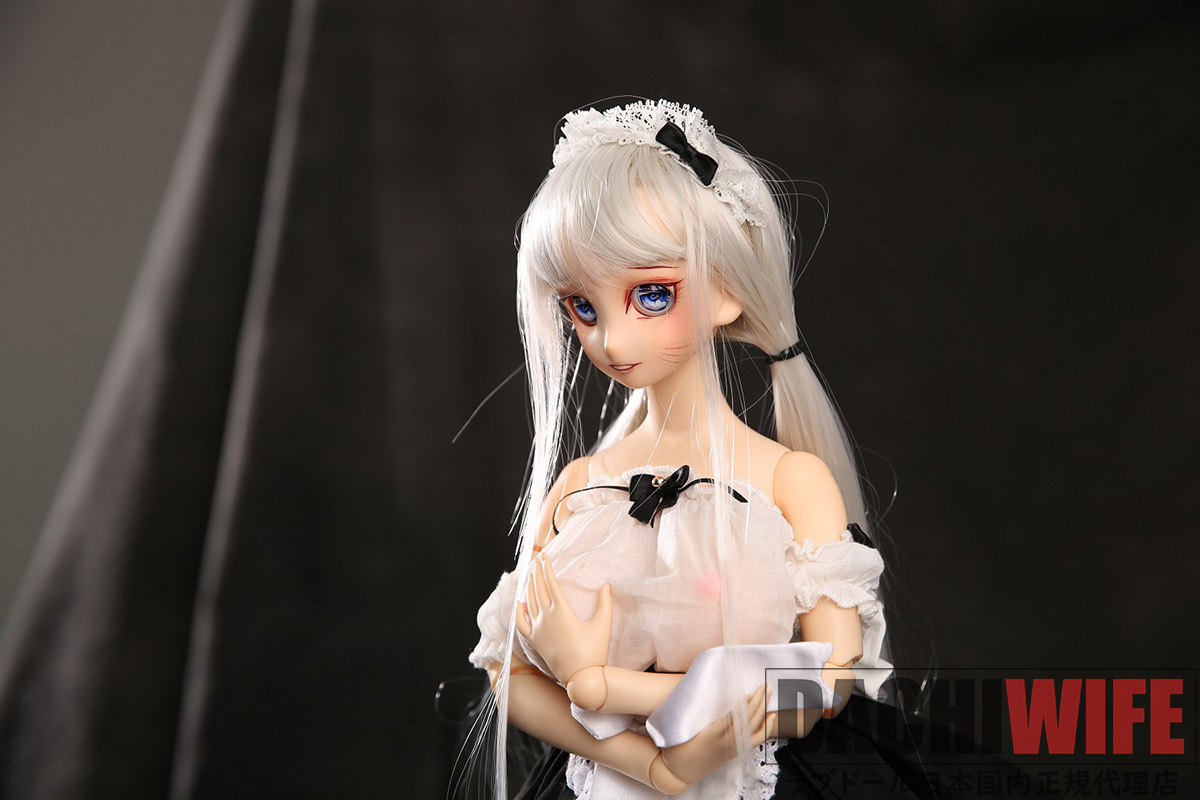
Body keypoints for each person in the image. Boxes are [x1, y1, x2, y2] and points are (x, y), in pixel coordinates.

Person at [465, 99, 908, 800]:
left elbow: (827, 677)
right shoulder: (581, 487)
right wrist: (650, 766)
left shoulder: (788, 479)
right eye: (582, 307)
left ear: (728, 292)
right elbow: (506, 670)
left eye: (651, 296)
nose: (610, 339)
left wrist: (602, 685)